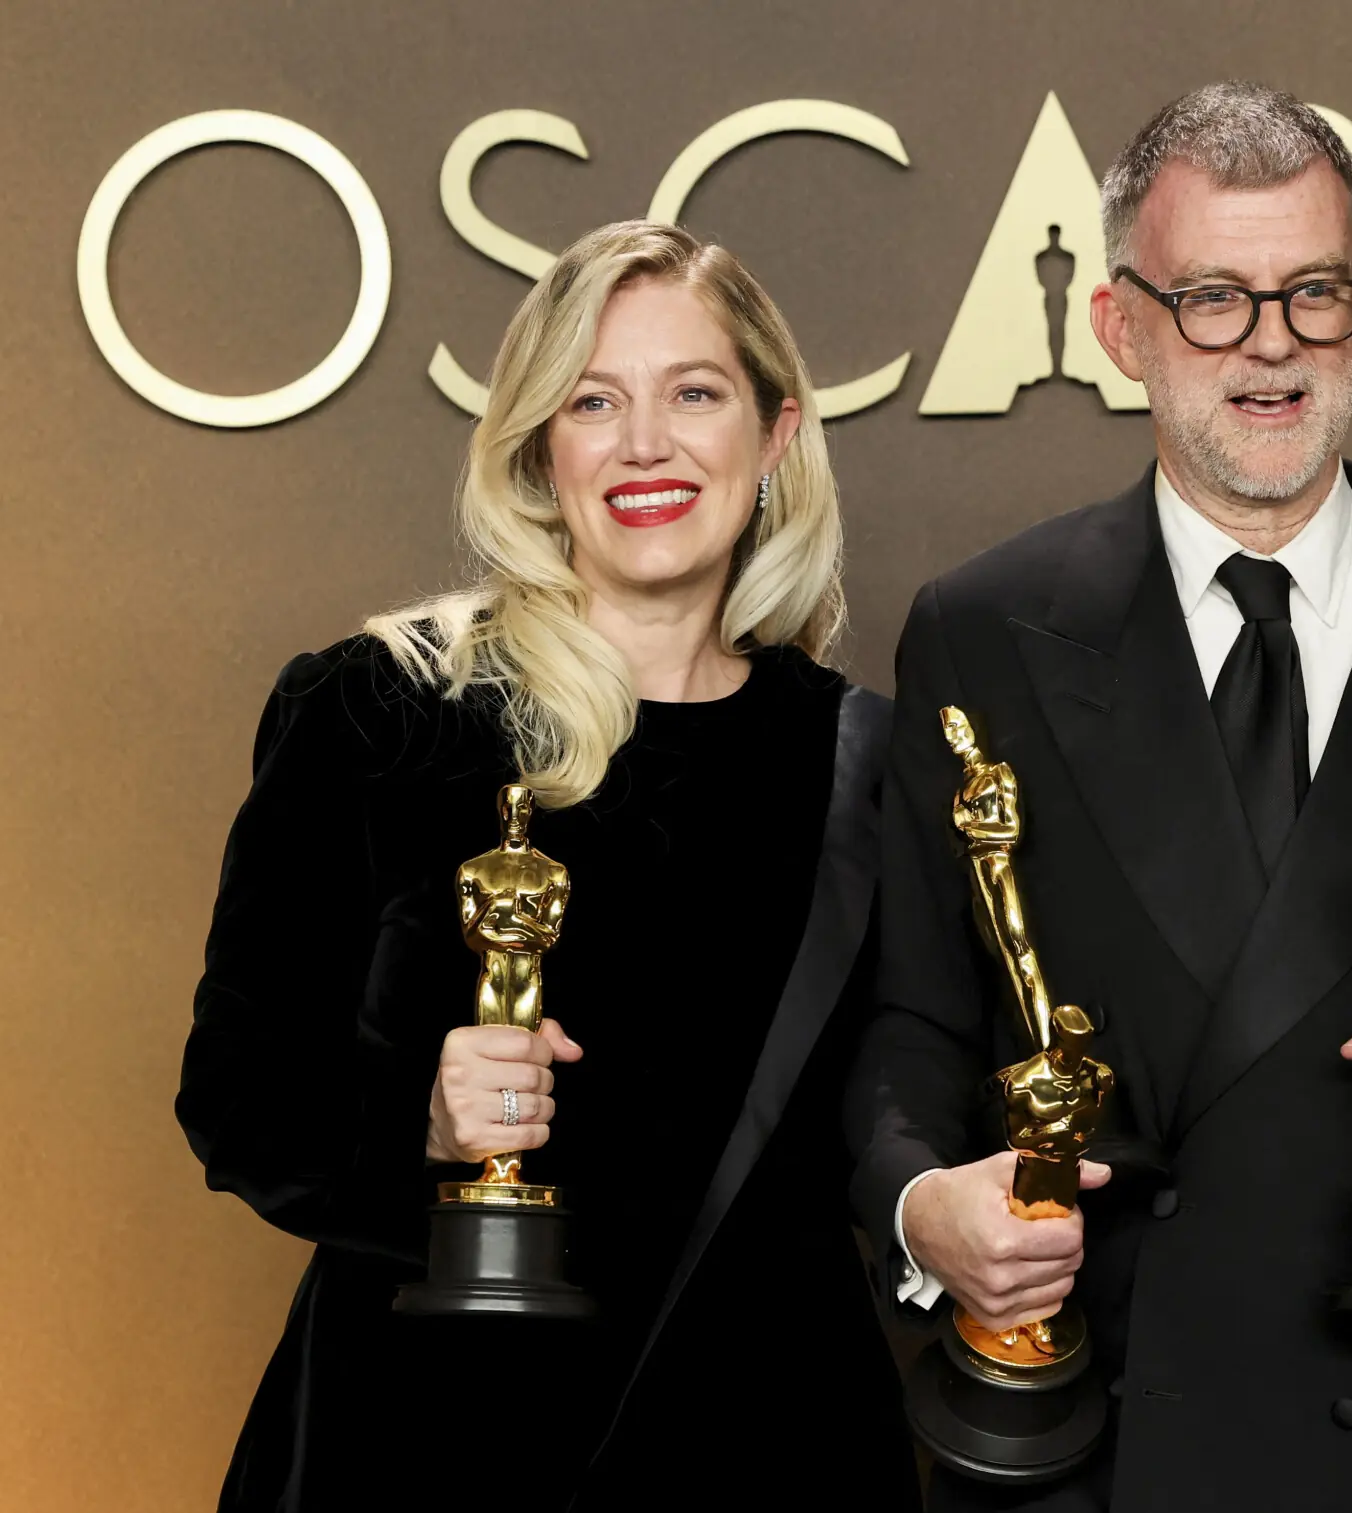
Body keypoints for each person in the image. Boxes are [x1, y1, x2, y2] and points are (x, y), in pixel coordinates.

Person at [847, 82, 1352, 1512]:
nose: (1273, 347)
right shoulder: (979, 632)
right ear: (1120, 326)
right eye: (1215, 299)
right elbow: (912, 1022)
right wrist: (926, 1211)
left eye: (1315, 293)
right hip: (1088, 1444)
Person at [178, 221, 919, 1512]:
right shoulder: (382, 711)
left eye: (695, 393)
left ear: (777, 435)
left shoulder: (866, 762)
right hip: (423, 1444)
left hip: (769, 1442)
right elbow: (239, 1098)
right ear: (537, 447)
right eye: (594, 402)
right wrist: (420, 1120)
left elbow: (899, 1112)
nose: (646, 446)